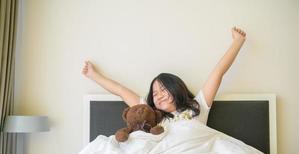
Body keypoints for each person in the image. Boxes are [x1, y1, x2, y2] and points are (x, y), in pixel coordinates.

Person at [82, 26, 246, 126]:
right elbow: (120, 90)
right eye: (154, 94)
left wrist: (237, 42)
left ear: (176, 88)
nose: (158, 96)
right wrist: (93, 75)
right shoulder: (150, 113)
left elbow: (218, 72)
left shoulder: (198, 107)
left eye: (162, 90)